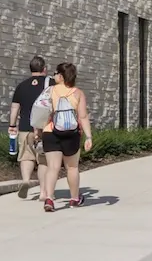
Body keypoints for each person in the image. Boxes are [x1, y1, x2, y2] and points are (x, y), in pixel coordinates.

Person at [37, 62, 93, 211]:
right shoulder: (78, 93)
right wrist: (89, 137)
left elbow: (40, 111)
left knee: (52, 167)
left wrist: (37, 130)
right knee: (72, 167)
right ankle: (74, 198)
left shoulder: (50, 91)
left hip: (50, 132)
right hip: (71, 134)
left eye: (56, 73)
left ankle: (49, 199)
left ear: (61, 76)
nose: (54, 76)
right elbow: (82, 116)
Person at [7, 56, 50, 199]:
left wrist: (12, 125)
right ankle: (44, 191)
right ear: (44, 69)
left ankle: (26, 180)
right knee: (43, 159)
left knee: (26, 156)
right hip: (44, 128)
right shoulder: (51, 83)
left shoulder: (21, 86)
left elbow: (15, 108)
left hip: (25, 127)